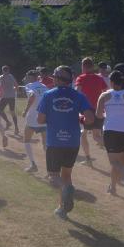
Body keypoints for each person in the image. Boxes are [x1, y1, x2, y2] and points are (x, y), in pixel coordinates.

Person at [37, 65, 95, 219]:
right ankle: (62, 209)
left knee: (53, 176)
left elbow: (40, 119)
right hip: (72, 141)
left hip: (54, 141)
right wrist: (79, 118)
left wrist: (54, 117)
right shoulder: (79, 95)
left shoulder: (48, 95)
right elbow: (90, 118)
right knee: (67, 174)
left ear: (56, 78)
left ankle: (66, 190)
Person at [96, 70, 124, 196]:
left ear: (111, 82)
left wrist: (106, 115)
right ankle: (113, 187)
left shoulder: (104, 95)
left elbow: (98, 115)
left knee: (113, 161)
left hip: (110, 129)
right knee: (119, 158)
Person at [75, 57, 108, 167]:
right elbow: (106, 92)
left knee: (83, 134)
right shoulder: (99, 78)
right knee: (96, 136)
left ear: (83, 66)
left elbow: (77, 93)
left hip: (86, 111)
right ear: (92, 66)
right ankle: (114, 148)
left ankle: (88, 159)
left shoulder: (81, 78)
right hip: (98, 110)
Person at [21, 70, 48, 173]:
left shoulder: (29, 86)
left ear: (31, 77)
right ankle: (51, 169)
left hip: (32, 117)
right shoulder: (44, 86)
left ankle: (33, 164)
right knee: (46, 144)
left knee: (26, 140)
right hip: (44, 117)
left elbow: (32, 96)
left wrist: (25, 111)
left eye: (27, 76)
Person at [0, 65, 20, 135]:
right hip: (11, 96)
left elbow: (1, 87)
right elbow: (16, 86)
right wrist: (14, 90)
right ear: (8, 70)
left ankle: (8, 122)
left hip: (5, 97)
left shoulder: (1, 77)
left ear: (2, 70)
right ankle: (16, 128)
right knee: (12, 112)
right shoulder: (11, 76)